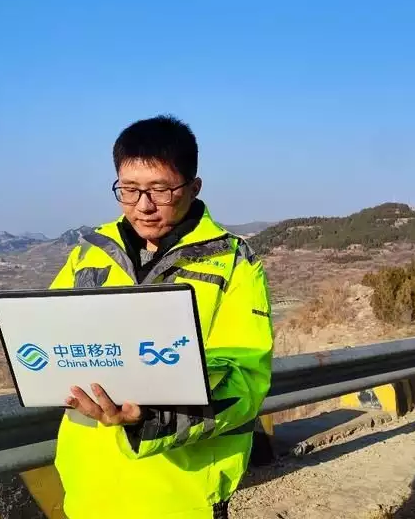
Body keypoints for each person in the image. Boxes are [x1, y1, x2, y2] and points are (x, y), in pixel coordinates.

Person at [50, 115, 273, 519]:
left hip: (183, 495)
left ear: (194, 187)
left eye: (160, 190)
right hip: (89, 490)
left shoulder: (234, 263)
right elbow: (49, 337)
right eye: (129, 190)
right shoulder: (89, 253)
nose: (144, 206)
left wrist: (150, 418)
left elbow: (245, 383)